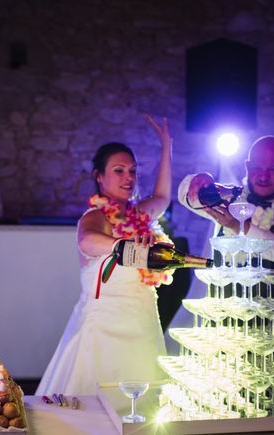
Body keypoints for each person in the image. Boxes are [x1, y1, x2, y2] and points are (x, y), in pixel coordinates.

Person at [36, 114, 172, 396]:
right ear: (99, 176)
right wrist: (125, 243)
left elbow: (162, 197)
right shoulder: (97, 215)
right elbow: (88, 240)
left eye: (133, 171)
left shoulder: (139, 216)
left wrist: (167, 147)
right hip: (104, 329)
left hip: (142, 322)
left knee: (144, 402)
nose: (129, 178)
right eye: (119, 170)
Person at [178, 135, 274, 301]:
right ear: (247, 167)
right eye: (257, 167)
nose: (263, 176)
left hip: (273, 323)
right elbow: (188, 199)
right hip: (222, 320)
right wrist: (200, 181)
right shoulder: (233, 197)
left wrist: (238, 226)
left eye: (273, 169)